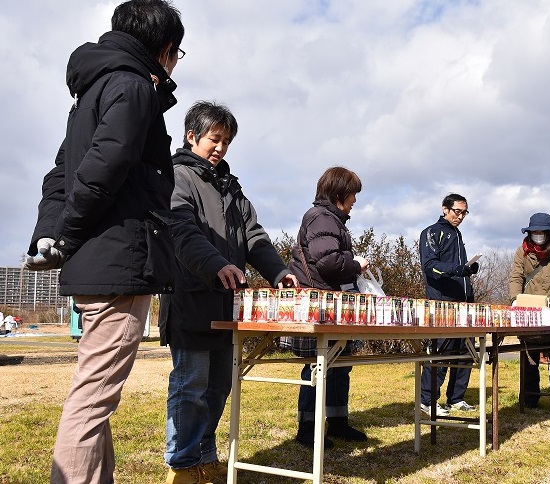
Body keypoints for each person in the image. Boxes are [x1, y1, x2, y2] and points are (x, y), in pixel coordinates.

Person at [22, 1, 185, 482]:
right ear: (165, 49)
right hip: (118, 260)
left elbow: (60, 172)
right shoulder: (135, 87)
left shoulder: (90, 92)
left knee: (94, 396)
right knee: (92, 401)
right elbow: (101, 170)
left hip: (96, 262)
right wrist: (66, 233)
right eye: (177, 54)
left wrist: (50, 233)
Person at [159, 101, 298, 484]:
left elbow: (254, 236)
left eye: (226, 141)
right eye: (214, 139)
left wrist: (279, 272)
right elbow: (182, 233)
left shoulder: (231, 187)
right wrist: (215, 264)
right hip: (189, 299)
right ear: (192, 136)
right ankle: (182, 465)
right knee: (191, 386)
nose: (220, 147)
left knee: (220, 385)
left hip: (228, 304)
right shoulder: (176, 177)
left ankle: (206, 456)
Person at [282, 166, 369, 449]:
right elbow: (329, 264)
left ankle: (337, 422)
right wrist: (357, 265)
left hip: (330, 302)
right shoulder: (322, 218)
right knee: (316, 366)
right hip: (319, 304)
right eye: (353, 194)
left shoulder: (329, 218)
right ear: (339, 193)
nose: (355, 200)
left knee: (339, 364)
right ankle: (307, 428)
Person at [419, 193, 478, 417]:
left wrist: (468, 270)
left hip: (465, 303)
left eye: (464, 213)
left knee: (465, 352)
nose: (461, 216)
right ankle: (427, 401)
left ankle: (456, 399)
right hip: (442, 303)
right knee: (440, 353)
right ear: (445, 209)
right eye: (457, 211)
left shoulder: (457, 233)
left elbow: (457, 268)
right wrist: (457, 269)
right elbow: (430, 266)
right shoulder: (432, 232)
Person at [508, 212, 550, 410]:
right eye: (535, 231)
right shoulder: (522, 251)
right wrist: (515, 299)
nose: (538, 234)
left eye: (542, 231)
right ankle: (529, 399)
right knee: (529, 358)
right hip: (528, 311)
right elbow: (515, 277)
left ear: (549, 233)